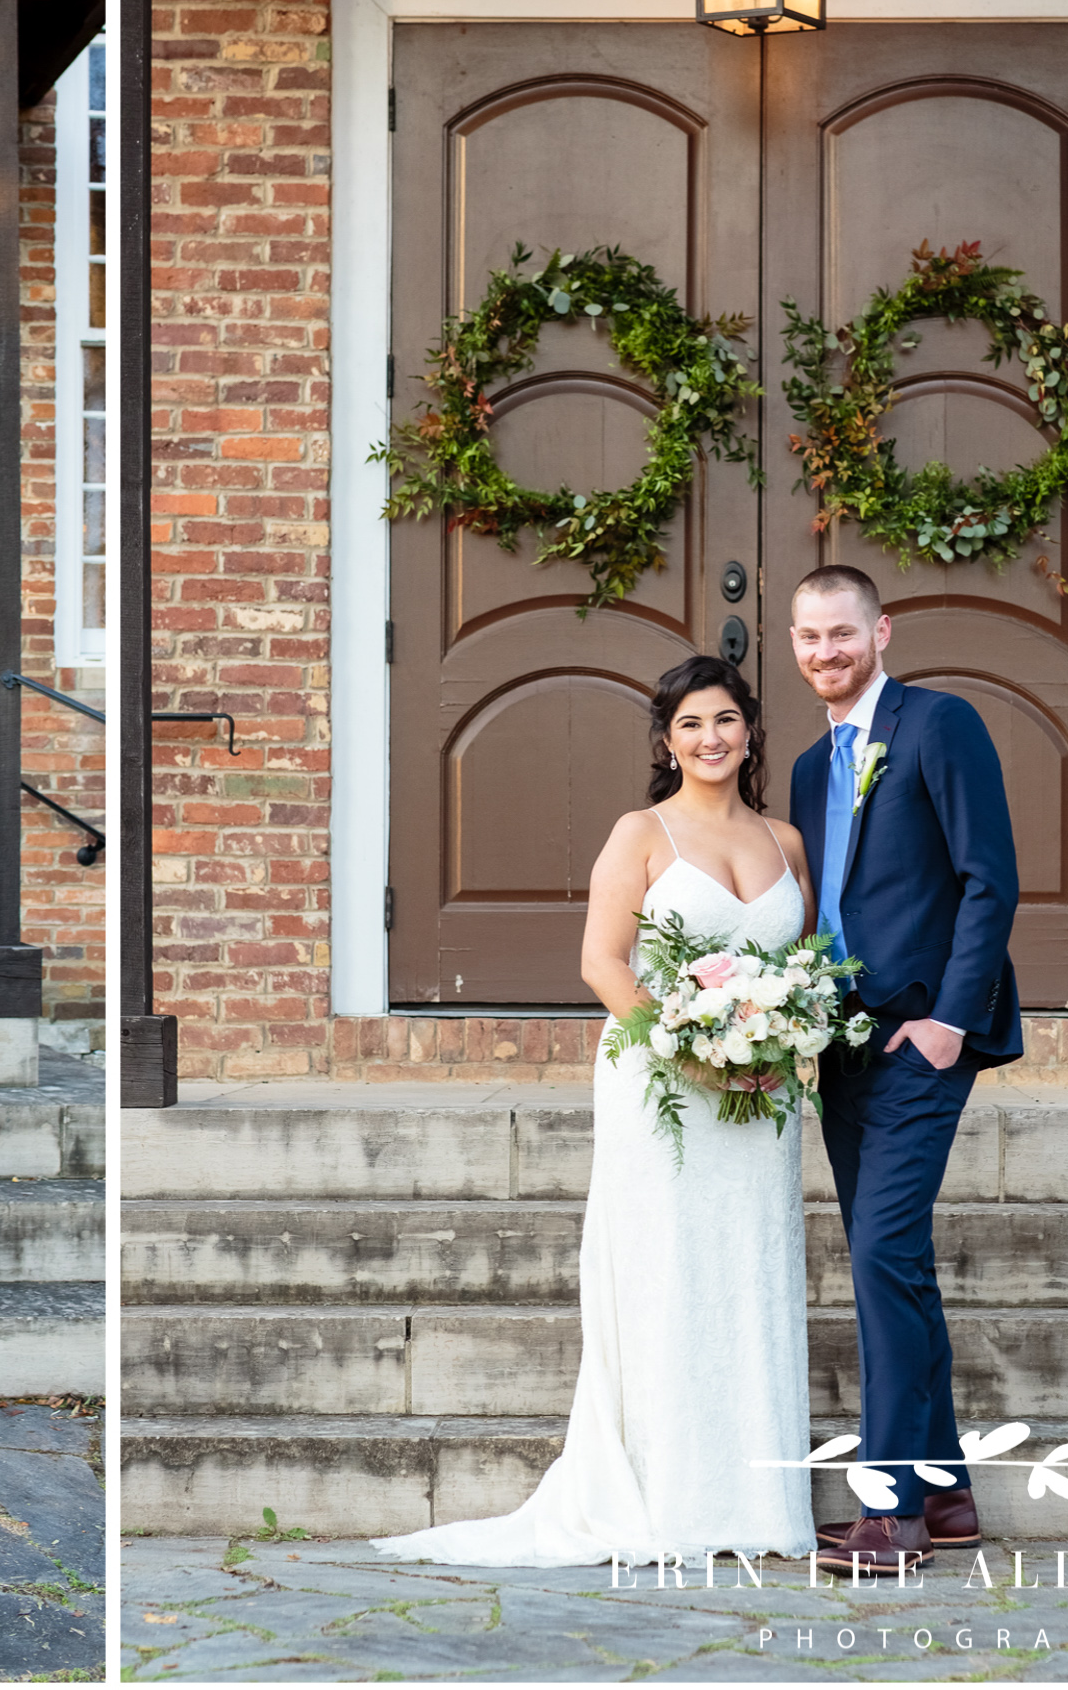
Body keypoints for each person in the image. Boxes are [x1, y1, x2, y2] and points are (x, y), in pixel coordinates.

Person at [374, 655, 817, 1568]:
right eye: (692, 723)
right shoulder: (640, 833)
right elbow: (603, 962)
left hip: (761, 1099)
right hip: (664, 1087)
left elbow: (796, 969)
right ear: (667, 738)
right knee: (668, 1277)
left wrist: (778, 1040)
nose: (712, 738)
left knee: (750, 1278)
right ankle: (668, 1497)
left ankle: (755, 1501)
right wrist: (692, 1048)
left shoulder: (787, 842)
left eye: (728, 719)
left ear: (751, 731)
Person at [787, 563, 1022, 1576]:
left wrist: (946, 1022)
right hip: (842, 1047)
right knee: (897, 1260)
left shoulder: (937, 724)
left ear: (882, 632)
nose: (824, 653)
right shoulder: (804, 767)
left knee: (880, 1255)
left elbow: (989, 880)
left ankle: (889, 1512)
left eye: (841, 633)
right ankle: (946, 1488)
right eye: (807, 638)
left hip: (923, 1037)